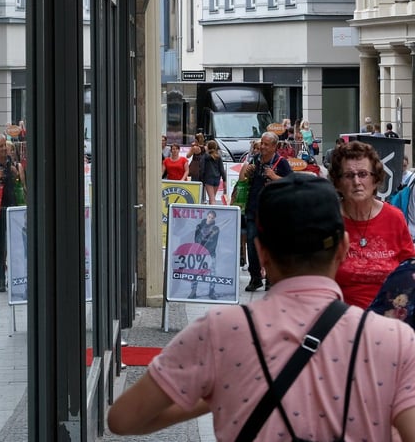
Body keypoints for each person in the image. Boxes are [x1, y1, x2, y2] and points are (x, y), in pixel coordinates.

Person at [108, 173, 415, 441]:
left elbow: (123, 419)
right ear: (344, 247)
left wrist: (218, 390)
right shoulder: (394, 340)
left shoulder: (219, 332)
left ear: (261, 253)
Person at [329, 140, 415, 308]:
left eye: (363, 174)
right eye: (349, 175)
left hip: (389, 317)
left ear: (375, 179)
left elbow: (409, 269)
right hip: (342, 317)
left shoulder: (394, 218)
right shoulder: (329, 220)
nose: (356, 182)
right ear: (338, 183)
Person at [241, 132, 293, 292]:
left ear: (274, 147)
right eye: (262, 143)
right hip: (253, 208)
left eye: (266, 144)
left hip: (272, 211)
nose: (262, 147)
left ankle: (271, 278)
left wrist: (274, 176)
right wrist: (248, 173)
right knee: (252, 245)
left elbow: (291, 183)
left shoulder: (281, 162)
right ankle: (255, 278)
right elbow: (244, 180)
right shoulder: (255, 159)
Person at [0, 134, 18, 292]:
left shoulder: (10, 162)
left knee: (12, 245)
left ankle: (13, 278)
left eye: (4, 145)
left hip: (12, 210)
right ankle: (1, 280)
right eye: (0, 146)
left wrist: (17, 173)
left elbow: (20, 183)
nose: (4, 149)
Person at [187, 210, 220, 300]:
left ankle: (211, 291)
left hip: (210, 253)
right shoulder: (199, 226)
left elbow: (214, 242)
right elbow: (196, 239)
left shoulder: (216, 229)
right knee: (196, 271)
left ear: (214, 218)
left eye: (212, 218)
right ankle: (193, 291)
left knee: (212, 273)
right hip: (199, 253)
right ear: (206, 216)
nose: (210, 219)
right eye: (209, 217)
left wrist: (207, 251)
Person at [199, 140, 226, 205]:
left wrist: (201, 178)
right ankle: (212, 209)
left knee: (212, 199)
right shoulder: (218, 157)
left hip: (208, 178)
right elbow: (222, 169)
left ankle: (213, 210)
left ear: (207, 147)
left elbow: (202, 168)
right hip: (217, 178)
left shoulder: (205, 157)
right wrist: (224, 180)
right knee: (213, 197)